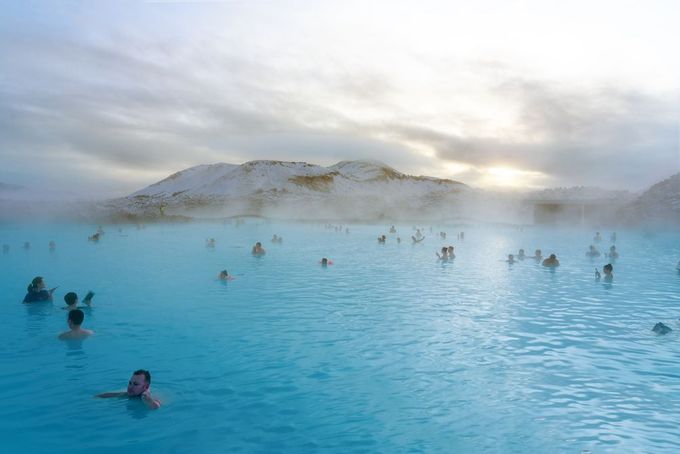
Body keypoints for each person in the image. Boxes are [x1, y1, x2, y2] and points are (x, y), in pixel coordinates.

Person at [96, 370, 161, 410]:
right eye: (130, 383)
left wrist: (147, 398)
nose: (130, 387)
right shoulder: (129, 394)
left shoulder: (150, 397)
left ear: (146, 387)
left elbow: (156, 407)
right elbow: (112, 395)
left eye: (135, 384)